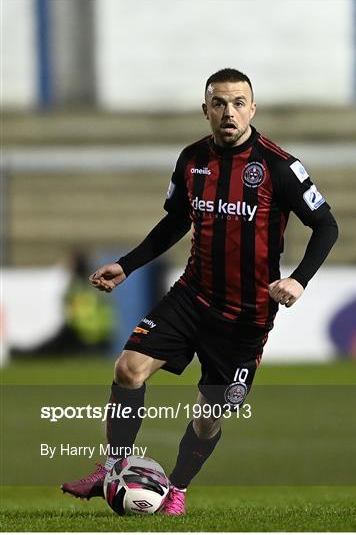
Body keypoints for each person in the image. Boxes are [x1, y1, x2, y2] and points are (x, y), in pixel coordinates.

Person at [62, 68, 338, 514]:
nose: (229, 112)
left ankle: (178, 489)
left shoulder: (279, 166)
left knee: (209, 418)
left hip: (245, 316)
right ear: (206, 109)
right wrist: (127, 265)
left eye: (238, 103)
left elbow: (326, 224)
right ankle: (112, 467)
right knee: (128, 368)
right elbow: (175, 221)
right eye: (219, 103)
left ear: (252, 107)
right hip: (192, 296)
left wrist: (298, 279)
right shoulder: (191, 160)